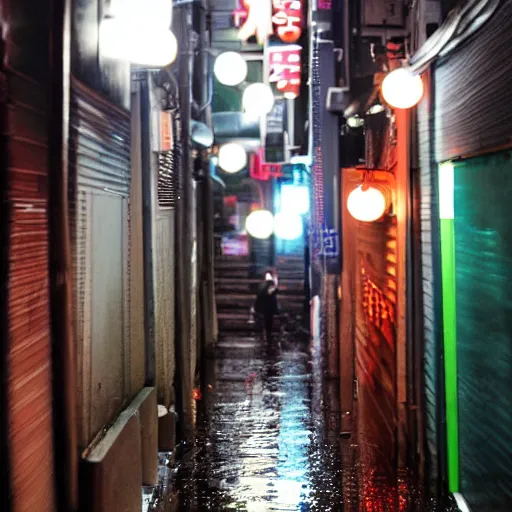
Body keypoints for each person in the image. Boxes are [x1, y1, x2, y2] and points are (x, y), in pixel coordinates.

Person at [254, 271, 279, 342]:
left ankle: (267, 336)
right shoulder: (269, 284)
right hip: (267, 307)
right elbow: (272, 291)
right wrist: (275, 284)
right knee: (268, 323)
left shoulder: (263, 285)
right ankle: (267, 337)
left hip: (265, 307)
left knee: (267, 323)